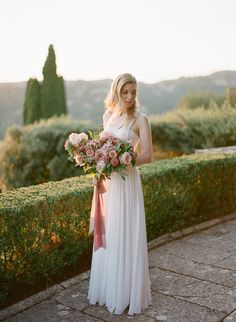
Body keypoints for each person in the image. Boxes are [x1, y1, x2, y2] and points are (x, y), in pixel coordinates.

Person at [88, 73, 153, 315]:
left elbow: (147, 155)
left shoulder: (141, 119)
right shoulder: (107, 116)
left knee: (126, 231)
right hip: (110, 185)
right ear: (116, 92)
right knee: (113, 233)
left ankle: (127, 292)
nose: (129, 97)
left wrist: (123, 159)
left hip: (127, 183)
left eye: (133, 92)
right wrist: (99, 166)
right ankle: (110, 289)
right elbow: (102, 151)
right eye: (125, 92)